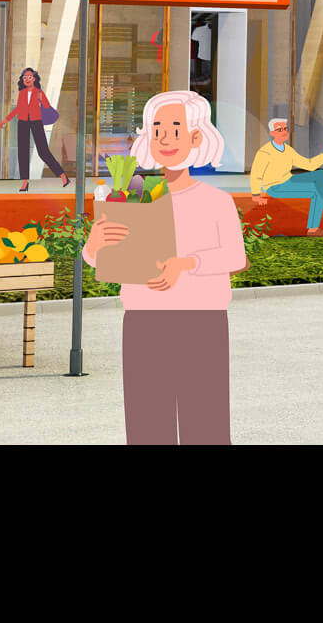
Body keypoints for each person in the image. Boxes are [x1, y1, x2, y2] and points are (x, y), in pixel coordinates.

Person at [82, 90, 247, 443]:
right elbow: (101, 259)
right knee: (146, 423)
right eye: (157, 129)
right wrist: (94, 245)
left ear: (196, 137)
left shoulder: (215, 201)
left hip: (200, 321)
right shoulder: (131, 199)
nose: (165, 138)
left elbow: (235, 257)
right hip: (143, 321)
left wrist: (185, 264)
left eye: (175, 128)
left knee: (205, 422)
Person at [247, 119, 323, 233]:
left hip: (288, 179)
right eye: (279, 129)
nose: (284, 132)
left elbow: (309, 165)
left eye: (285, 129)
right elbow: (256, 174)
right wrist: (256, 196)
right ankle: (313, 229)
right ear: (272, 133)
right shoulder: (265, 152)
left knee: (318, 174)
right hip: (275, 186)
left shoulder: (288, 150)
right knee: (317, 191)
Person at [9, 66, 66, 192]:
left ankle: (62, 175)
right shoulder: (22, 93)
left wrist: (41, 98)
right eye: (25, 77)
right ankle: (25, 182)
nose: (27, 79)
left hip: (36, 122)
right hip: (23, 123)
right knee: (22, 153)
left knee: (43, 151)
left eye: (29, 77)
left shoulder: (39, 92)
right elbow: (18, 109)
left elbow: (46, 106)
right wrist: (6, 119)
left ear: (34, 78)